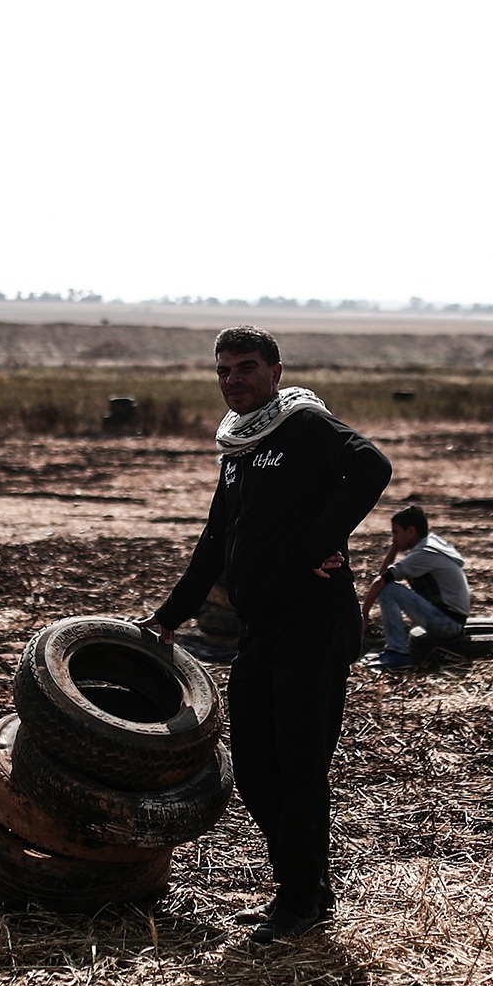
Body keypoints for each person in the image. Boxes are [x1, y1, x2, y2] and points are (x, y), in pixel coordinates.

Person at [139, 326, 391, 945]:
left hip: (314, 628)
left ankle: (301, 901)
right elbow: (214, 543)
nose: (233, 380)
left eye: (246, 367)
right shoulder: (239, 451)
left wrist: (321, 540)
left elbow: (371, 466)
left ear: (277, 371)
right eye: (223, 370)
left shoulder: (303, 424)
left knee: (299, 766)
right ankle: (302, 891)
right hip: (261, 632)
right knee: (254, 769)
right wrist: (169, 616)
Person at [362, 505, 470, 670]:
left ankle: (398, 653)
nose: (393, 537)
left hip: (447, 624)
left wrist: (364, 613)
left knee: (389, 590)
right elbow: (383, 575)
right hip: (451, 620)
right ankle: (394, 651)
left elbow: (380, 582)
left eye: (395, 532)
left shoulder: (425, 553)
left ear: (411, 531)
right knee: (388, 586)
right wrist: (395, 547)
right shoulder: (431, 544)